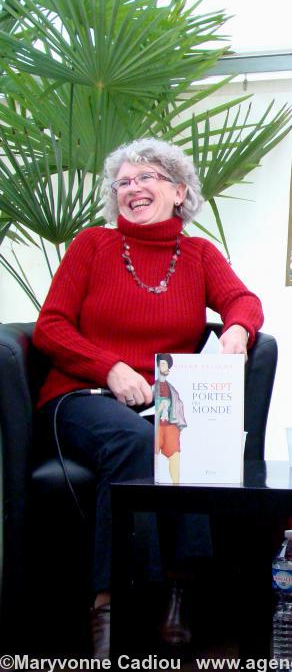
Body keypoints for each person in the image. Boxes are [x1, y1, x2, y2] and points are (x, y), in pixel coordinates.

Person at [33, 138, 263, 658]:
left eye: (147, 178)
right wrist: (108, 367)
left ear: (180, 192)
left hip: (161, 399)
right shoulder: (91, 246)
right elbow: (50, 328)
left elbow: (243, 301)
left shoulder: (200, 254)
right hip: (81, 393)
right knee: (146, 441)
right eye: (124, 182)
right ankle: (108, 603)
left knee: (178, 438)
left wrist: (237, 331)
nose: (133, 189)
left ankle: (179, 595)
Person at [154, 353, 187, 484]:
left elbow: (178, 404)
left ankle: (176, 486)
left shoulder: (172, 389)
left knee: (175, 455)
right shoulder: (153, 386)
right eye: (161, 363)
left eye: (165, 364)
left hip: (170, 424)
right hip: (156, 424)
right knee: (154, 453)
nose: (164, 366)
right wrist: (159, 409)